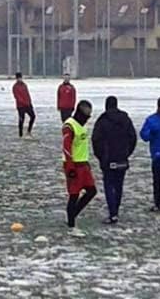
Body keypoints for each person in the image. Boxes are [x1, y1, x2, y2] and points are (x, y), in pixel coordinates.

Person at [92, 96, 137, 224]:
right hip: (122, 158)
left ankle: (113, 213)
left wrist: (101, 157)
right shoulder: (126, 119)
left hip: (108, 159)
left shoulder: (102, 120)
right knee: (119, 185)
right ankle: (115, 210)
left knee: (109, 185)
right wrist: (127, 153)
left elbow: (96, 140)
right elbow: (133, 137)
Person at [62, 100, 97, 237]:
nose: (88, 116)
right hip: (74, 165)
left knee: (91, 191)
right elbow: (66, 147)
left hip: (83, 164)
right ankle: (71, 225)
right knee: (74, 195)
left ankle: (73, 214)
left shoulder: (83, 126)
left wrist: (87, 162)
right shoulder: (69, 126)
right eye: (87, 113)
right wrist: (70, 167)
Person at [12, 72, 36, 138]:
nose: (20, 79)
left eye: (20, 78)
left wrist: (30, 103)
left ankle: (29, 131)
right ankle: (20, 133)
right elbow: (17, 97)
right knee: (21, 119)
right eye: (18, 78)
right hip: (21, 106)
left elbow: (27, 94)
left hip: (27, 105)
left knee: (33, 116)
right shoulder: (15, 87)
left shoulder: (24, 85)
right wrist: (25, 103)